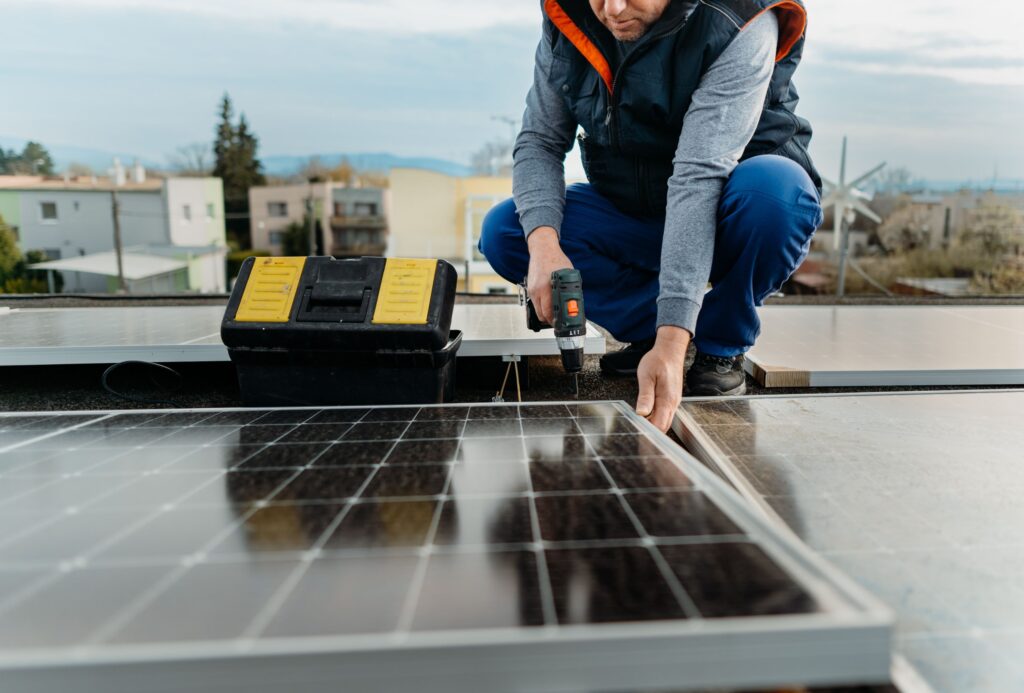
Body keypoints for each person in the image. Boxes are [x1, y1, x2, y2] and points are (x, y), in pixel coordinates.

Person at [478, 0, 824, 431]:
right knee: (509, 230)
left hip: (728, 211)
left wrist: (673, 338)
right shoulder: (567, 17)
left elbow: (699, 173)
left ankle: (718, 344)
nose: (614, 9)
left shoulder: (742, 19)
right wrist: (544, 246)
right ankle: (648, 331)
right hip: (637, 214)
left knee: (777, 196)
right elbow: (540, 141)